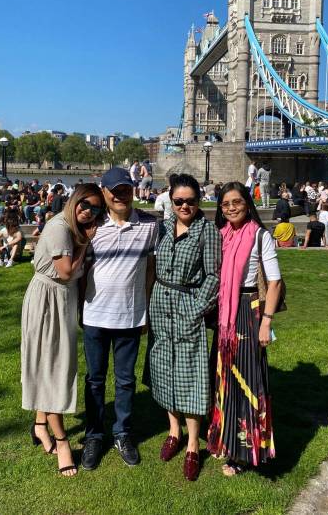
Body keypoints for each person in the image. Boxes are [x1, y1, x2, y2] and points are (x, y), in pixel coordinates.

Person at [21, 184, 104, 477]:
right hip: (48, 299)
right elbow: (67, 271)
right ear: (74, 200)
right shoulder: (59, 228)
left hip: (62, 299)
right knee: (53, 369)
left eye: (95, 208)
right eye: (85, 204)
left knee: (53, 364)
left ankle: (40, 424)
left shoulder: (73, 228)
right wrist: (85, 243)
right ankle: (62, 441)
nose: (88, 211)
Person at [80, 167, 158, 471]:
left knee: (125, 381)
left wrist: (146, 307)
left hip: (130, 316)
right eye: (113, 191)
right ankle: (94, 435)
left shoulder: (149, 225)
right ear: (103, 193)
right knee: (94, 380)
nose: (119, 195)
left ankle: (122, 433)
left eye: (125, 189)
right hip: (95, 315)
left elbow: (150, 269)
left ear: (133, 190)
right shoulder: (93, 226)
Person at [147, 174, 221, 482]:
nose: (184, 206)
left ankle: (192, 444)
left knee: (190, 371)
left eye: (190, 201)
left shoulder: (207, 231)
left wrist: (196, 309)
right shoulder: (163, 228)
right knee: (164, 367)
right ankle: (173, 431)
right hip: (160, 305)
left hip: (188, 305)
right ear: (171, 201)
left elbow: (214, 276)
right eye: (179, 201)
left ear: (199, 201)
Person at [207, 182, 281, 476]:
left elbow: (274, 282)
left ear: (247, 204)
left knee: (248, 380)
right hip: (225, 313)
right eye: (225, 204)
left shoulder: (260, 236)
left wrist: (266, 321)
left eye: (236, 202)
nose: (231, 208)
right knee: (224, 379)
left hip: (249, 311)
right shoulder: (221, 236)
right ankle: (224, 439)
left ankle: (244, 451)